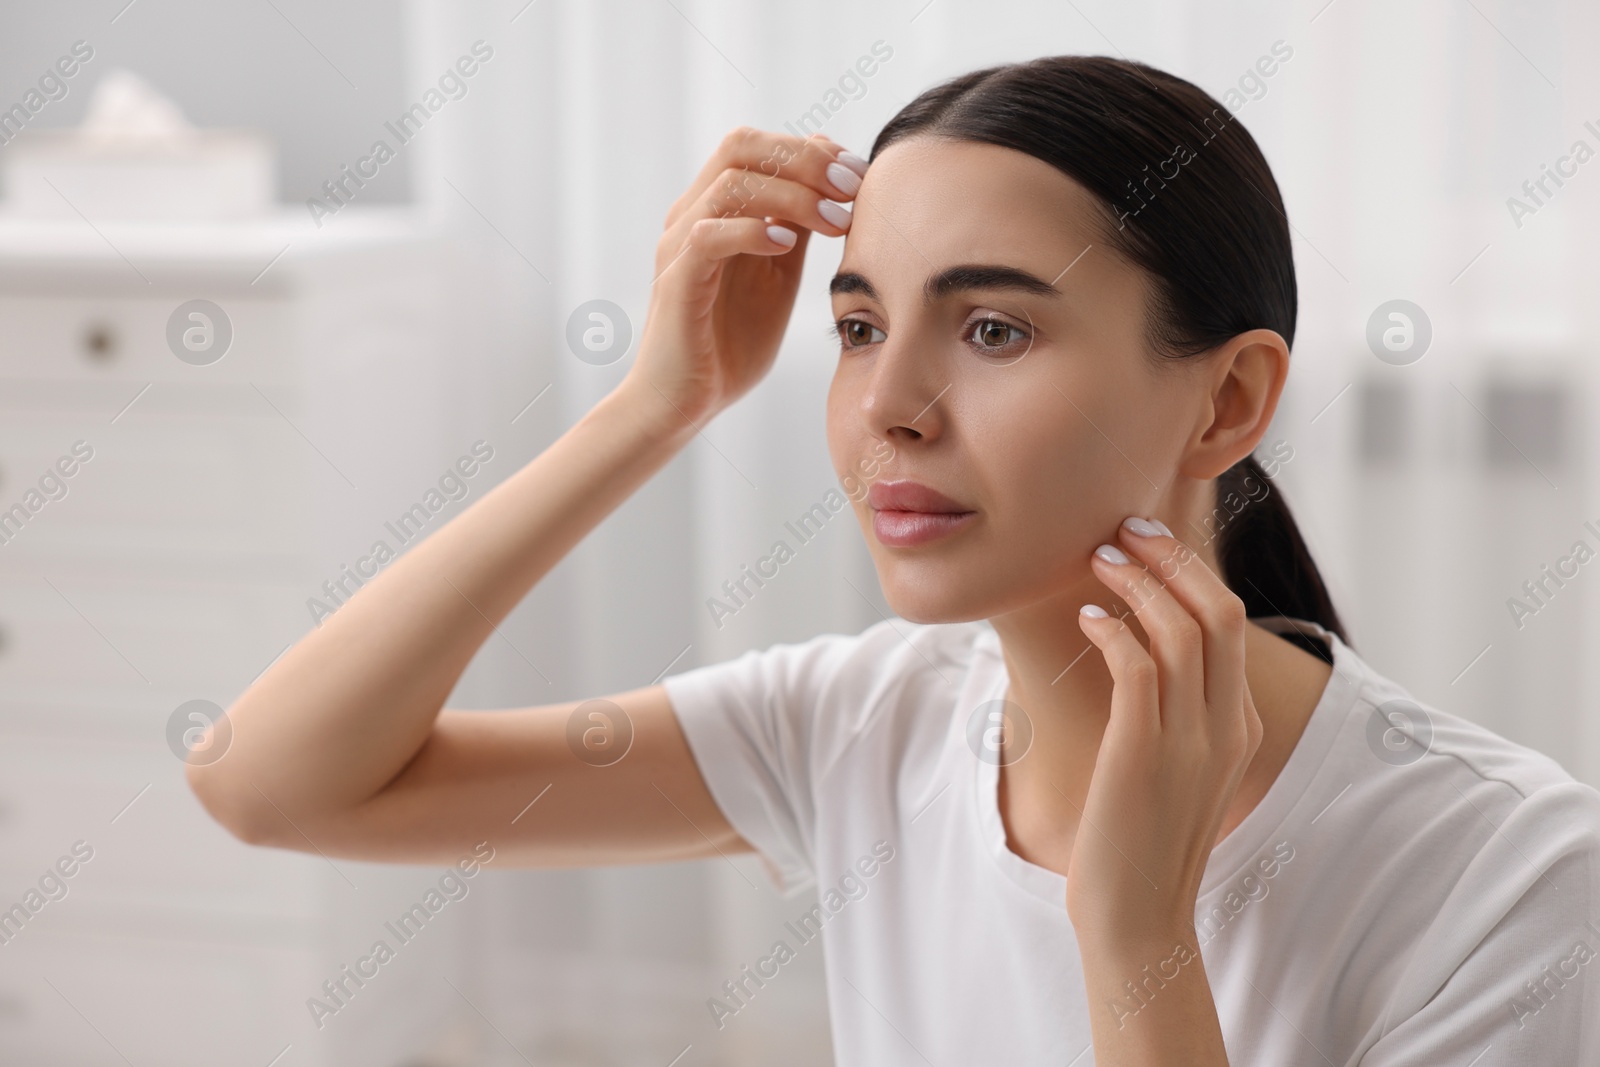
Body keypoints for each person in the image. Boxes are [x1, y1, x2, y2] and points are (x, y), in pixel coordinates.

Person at [188, 55, 1600, 1065]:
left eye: (994, 330)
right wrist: (651, 409)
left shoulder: (1510, 878)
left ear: (1227, 401)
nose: (890, 410)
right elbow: (272, 781)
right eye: (859, 328)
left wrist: (1133, 934)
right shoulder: (859, 727)